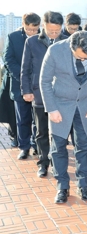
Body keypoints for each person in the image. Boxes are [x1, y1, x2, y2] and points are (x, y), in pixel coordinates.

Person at [40, 31, 87, 204]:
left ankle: (83, 184)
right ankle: (62, 186)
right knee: (58, 147)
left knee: (84, 146)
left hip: (85, 105)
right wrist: (52, 108)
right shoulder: (55, 51)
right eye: (81, 57)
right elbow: (44, 81)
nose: (84, 60)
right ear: (72, 47)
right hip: (60, 105)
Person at [20, 11, 68, 177]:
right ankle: (43, 162)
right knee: (41, 132)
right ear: (44, 26)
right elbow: (25, 69)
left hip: (61, 95)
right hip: (39, 93)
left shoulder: (67, 41)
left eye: (57, 31)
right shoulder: (32, 42)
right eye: (51, 31)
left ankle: (57, 162)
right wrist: (26, 90)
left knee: (59, 132)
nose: (54, 34)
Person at [3, 12, 40, 160]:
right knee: (22, 118)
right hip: (19, 85)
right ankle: (24, 147)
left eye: (35, 29)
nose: (32, 32)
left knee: (38, 119)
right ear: (23, 24)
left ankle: (38, 146)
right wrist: (23, 75)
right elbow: (8, 59)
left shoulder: (43, 38)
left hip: (38, 86)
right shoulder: (13, 37)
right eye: (28, 29)